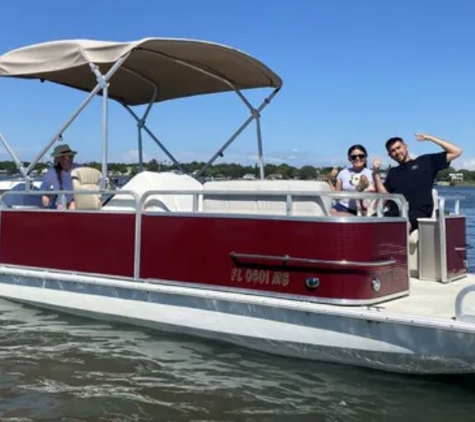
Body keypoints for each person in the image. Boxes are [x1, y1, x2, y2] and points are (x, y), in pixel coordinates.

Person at [372, 133, 463, 232]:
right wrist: (376, 173)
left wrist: (430, 138)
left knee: (402, 224)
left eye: (398, 148)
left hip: (418, 213)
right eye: (393, 151)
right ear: (390, 155)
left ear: (406, 147)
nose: (397, 152)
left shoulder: (426, 162)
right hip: (395, 212)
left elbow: (457, 151)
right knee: (368, 222)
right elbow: (385, 197)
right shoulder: (392, 172)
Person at [327, 144, 373, 216]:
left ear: (366, 157)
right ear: (349, 159)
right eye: (354, 157)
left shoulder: (372, 174)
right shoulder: (343, 173)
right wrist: (329, 179)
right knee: (329, 213)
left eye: (361, 156)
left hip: (365, 209)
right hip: (343, 207)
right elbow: (336, 195)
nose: (357, 158)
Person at [41, 144, 80, 209]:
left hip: (76, 203)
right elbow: (45, 187)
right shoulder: (52, 172)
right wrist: (45, 195)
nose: (71, 159)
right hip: (58, 205)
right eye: (68, 157)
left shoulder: (79, 169)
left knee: (73, 205)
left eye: (72, 156)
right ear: (60, 158)